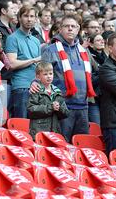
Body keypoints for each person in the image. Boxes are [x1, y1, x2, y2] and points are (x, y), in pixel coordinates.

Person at [39, 15, 96, 143]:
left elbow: (95, 73)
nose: (70, 29)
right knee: (60, 146)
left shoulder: (84, 51)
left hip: (83, 107)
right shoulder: (50, 50)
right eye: (66, 26)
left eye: (73, 26)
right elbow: (42, 78)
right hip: (62, 108)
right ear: (60, 29)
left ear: (78, 30)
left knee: (82, 147)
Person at [5, 5, 41, 119]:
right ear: (19, 18)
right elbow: (11, 64)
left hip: (37, 86)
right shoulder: (12, 38)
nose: (29, 19)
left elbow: (40, 66)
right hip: (21, 87)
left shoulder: (36, 40)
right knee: (22, 124)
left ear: (36, 19)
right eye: (26, 16)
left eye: (32, 16)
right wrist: (34, 60)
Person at [28, 62, 69, 139]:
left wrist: (59, 108)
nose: (49, 76)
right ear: (38, 76)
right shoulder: (36, 90)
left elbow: (66, 113)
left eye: (50, 73)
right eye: (45, 74)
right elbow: (31, 110)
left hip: (54, 132)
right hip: (39, 132)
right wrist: (50, 107)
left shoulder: (57, 91)